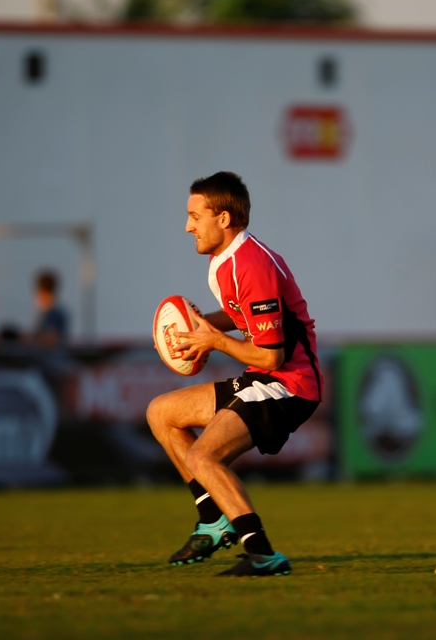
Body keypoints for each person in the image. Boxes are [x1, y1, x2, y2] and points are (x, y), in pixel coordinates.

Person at [146, 172, 322, 577]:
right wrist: (190, 332)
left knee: (203, 456)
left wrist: (213, 341)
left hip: (290, 385)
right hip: (263, 376)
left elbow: (273, 356)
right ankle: (212, 520)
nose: (188, 226)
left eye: (195, 216)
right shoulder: (225, 260)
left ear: (223, 219)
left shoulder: (251, 264)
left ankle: (263, 554)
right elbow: (242, 314)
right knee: (161, 412)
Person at [33, 269, 68, 347]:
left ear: (42, 291)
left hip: (49, 357)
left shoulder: (53, 314)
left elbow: (50, 339)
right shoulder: (58, 312)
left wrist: (28, 339)